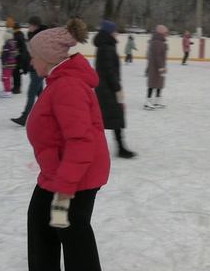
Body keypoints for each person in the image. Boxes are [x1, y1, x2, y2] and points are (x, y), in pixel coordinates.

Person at [26, 17, 110, 271]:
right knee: (42, 226)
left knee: (73, 237)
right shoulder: (58, 82)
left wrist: (64, 189)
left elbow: (81, 141)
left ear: (48, 57)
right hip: (58, 175)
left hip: (73, 180)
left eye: (34, 56)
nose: (31, 61)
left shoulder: (67, 86)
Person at [93, 20, 137, 159]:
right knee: (113, 118)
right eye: (115, 31)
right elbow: (110, 71)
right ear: (109, 32)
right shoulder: (107, 47)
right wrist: (117, 89)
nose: (117, 33)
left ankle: (119, 147)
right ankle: (120, 148)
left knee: (108, 118)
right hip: (108, 90)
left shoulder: (104, 46)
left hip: (105, 89)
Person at [11, 16, 48, 126]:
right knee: (40, 95)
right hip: (33, 68)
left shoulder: (41, 37)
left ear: (35, 26)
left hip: (38, 68)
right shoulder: (32, 35)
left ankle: (25, 117)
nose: (28, 27)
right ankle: (48, 115)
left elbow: (42, 53)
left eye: (30, 25)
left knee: (31, 93)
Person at [145, 25, 169, 110]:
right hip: (156, 67)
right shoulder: (157, 42)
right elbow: (157, 56)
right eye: (166, 32)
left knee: (159, 84)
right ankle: (147, 102)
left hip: (159, 66)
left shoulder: (160, 42)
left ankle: (157, 101)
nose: (167, 34)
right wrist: (161, 67)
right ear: (161, 33)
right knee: (152, 84)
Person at [0, 29, 18, 98]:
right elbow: (15, 54)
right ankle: (7, 90)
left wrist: (4, 62)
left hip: (7, 64)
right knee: (8, 77)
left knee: (6, 77)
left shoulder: (7, 44)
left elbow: (5, 55)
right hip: (12, 63)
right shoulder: (13, 43)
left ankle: (7, 91)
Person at [13, 24, 27, 94]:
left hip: (18, 58)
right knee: (16, 73)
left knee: (16, 73)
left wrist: (17, 52)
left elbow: (21, 47)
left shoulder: (18, 36)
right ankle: (16, 87)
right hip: (18, 57)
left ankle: (17, 88)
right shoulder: (20, 35)